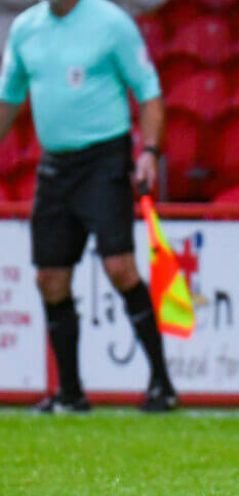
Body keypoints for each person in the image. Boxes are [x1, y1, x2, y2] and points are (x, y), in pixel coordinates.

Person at [0, 0, 177, 412]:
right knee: (50, 278)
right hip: (55, 165)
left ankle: (161, 383)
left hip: (104, 160)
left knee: (120, 268)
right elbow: (9, 98)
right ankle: (71, 392)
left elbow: (148, 91)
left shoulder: (111, 23)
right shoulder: (26, 29)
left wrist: (149, 151)